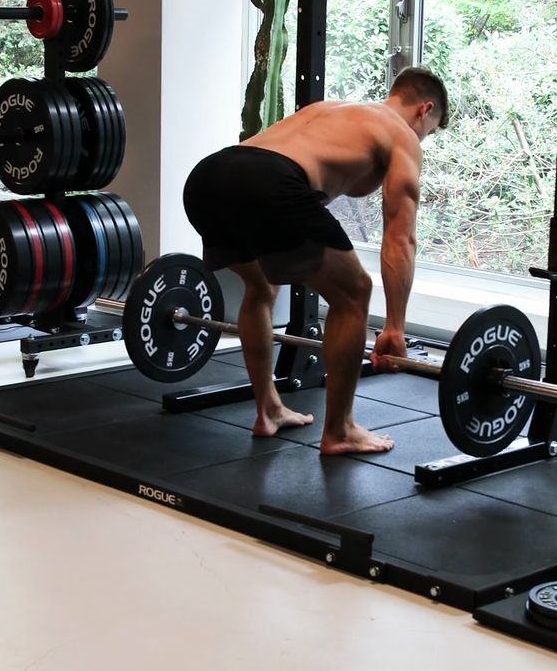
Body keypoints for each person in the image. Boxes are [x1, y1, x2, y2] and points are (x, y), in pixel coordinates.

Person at [183, 65, 449, 455]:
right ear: (424, 110)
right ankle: (339, 431)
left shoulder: (332, 109)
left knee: (260, 284)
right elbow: (401, 237)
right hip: (267, 182)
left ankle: (269, 409)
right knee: (354, 292)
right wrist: (394, 325)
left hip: (209, 178)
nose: (423, 140)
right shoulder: (401, 135)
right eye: (430, 131)